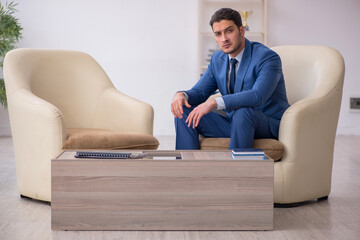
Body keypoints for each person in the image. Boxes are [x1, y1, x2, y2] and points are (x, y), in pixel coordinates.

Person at [171, 8, 290, 150]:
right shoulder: (217, 59)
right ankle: (187, 170)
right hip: (234, 123)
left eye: (229, 31)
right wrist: (181, 95)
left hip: (265, 124)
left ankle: (234, 172)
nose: (224, 39)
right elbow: (200, 92)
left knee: (243, 112)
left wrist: (214, 103)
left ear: (241, 31)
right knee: (183, 110)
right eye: (218, 34)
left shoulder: (267, 58)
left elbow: (257, 96)